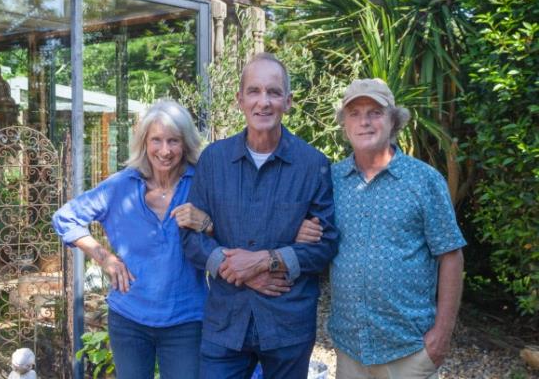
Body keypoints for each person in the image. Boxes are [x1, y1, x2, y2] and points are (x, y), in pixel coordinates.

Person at [52, 100, 318, 379]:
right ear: (144, 142)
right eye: (156, 140)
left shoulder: (200, 183)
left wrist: (209, 223)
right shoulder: (121, 186)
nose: (164, 151)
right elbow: (65, 218)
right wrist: (105, 258)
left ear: (186, 143)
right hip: (129, 319)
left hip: (187, 321)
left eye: (173, 141)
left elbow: (242, 229)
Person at [181, 53, 338, 379]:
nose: (263, 102)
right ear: (239, 99)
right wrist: (236, 267)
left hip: (287, 322)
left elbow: (325, 247)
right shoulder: (214, 160)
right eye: (253, 91)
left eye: (273, 92)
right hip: (226, 320)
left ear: (288, 101)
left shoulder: (314, 165)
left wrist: (265, 260)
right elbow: (191, 236)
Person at [307, 78, 466, 378]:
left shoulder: (424, 181)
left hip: (409, 351)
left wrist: (441, 336)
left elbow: (451, 256)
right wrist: (305, 232)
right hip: (350, 349)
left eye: (375, 112)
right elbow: (317, 235)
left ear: (394, 120)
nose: (364, 121)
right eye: (354, 113)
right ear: (344, 123)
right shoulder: (331, 180)